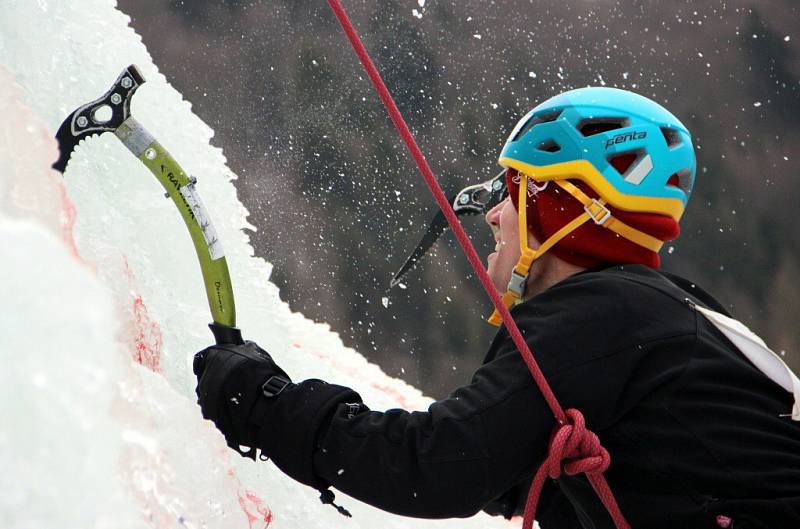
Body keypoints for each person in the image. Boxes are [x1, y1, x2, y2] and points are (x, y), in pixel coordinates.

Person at [192, 87, 800, 529]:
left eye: (509, 191)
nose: (489, 215)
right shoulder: (662, 314)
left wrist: (265, 403)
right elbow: (509, 470)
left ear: (558, 210)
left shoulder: (599, 312)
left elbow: (439, 465)